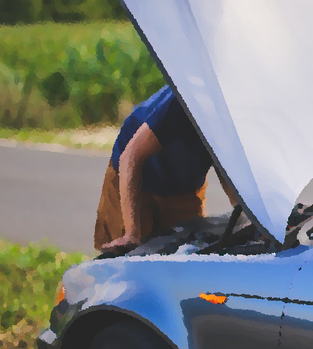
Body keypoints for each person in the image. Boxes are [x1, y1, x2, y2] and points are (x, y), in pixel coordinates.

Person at [94, 85, 228, 253]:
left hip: (184, 184)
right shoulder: (182, 101)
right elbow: (130, 158)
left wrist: (246, 218)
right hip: (134, 177)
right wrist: (132, 233)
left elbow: (227, 169)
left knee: (187, 249)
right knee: (128, 252)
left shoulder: (237, 116)